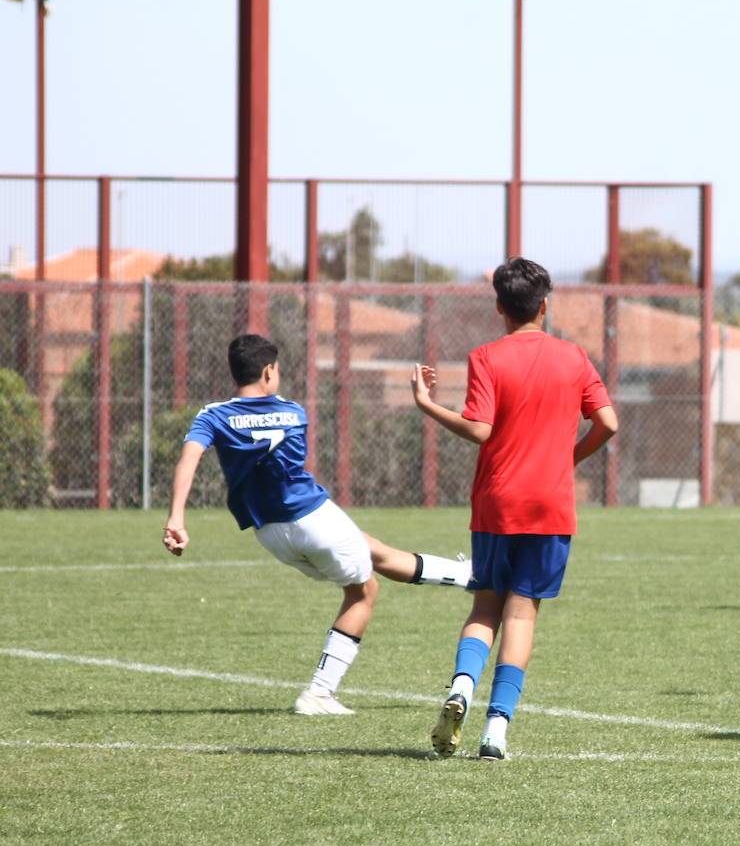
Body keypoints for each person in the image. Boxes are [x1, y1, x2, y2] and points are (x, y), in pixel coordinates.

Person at [162, 334, 473, 716]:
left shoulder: (212, 414)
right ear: (268, 371)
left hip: (270, 533)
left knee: (370, 548)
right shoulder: (294, 412)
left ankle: (466, 577)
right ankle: (319, 693)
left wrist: (176, 516)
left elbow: (189, 459)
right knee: (363, 592)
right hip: (312, 515)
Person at [412, 257, 618, 761]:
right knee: (522, 614)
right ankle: (496, 731)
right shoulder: (573, 357)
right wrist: (569, 459)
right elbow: (608, 423)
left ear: (500, 307)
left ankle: (461, 687)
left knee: (486, 606)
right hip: (551, 504)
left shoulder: (486, 357)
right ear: (545, 305)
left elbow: (479, 429)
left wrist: (427, 405)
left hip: (498, 501)